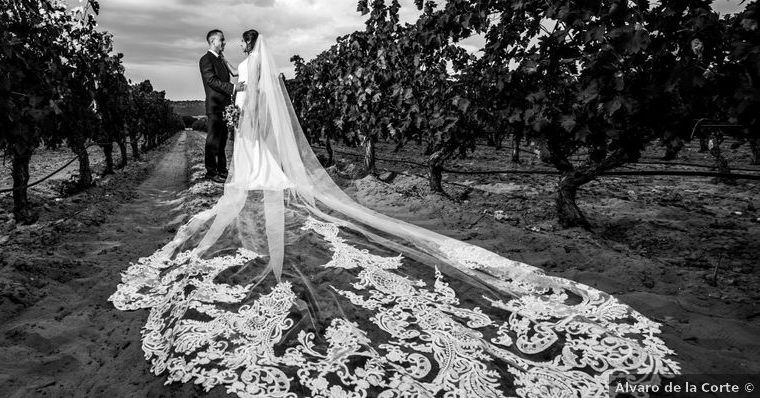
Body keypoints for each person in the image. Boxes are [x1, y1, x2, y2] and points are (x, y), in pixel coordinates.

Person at [111, 31, 679, 397]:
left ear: (246, 48)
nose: (233, 48)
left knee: (255, 167)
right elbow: (246, 98)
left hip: (247, 125)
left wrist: (238, 99)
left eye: (237, 43)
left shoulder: (247, 71)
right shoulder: (252, 69)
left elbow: (245, 100)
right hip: (251, 126)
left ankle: (257, 179)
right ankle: (264, 178)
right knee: (266, 168)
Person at [199, 29, 245, 183]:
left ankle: (222, 170)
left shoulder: (220, 60)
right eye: (222, 40)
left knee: (223, 140)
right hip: (215, 106)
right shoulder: (205, 59)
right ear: (213, 42)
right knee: (212, 140)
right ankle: (211, 173)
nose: (224, 43)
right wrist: (233, 88)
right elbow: (211, 81)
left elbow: (232, 73)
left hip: (225, 107)